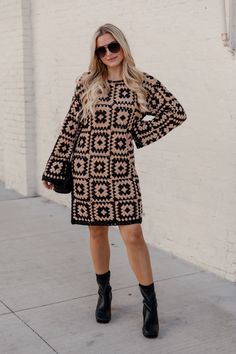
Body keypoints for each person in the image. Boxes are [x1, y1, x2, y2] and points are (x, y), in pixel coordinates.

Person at [42, 23, 187, 338]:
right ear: (95, 53)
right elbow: (70, 125)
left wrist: (140, 133)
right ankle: (104, 293)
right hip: (87, 169)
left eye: (112, 46)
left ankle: (150, 304)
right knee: (96, 233)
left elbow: (175, 112)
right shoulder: (87, 84)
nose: (107, 53)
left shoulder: (141, 82)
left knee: (133, 235)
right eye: (101, 49)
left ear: (122, 46)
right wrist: (54, 166)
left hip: (121, 171)